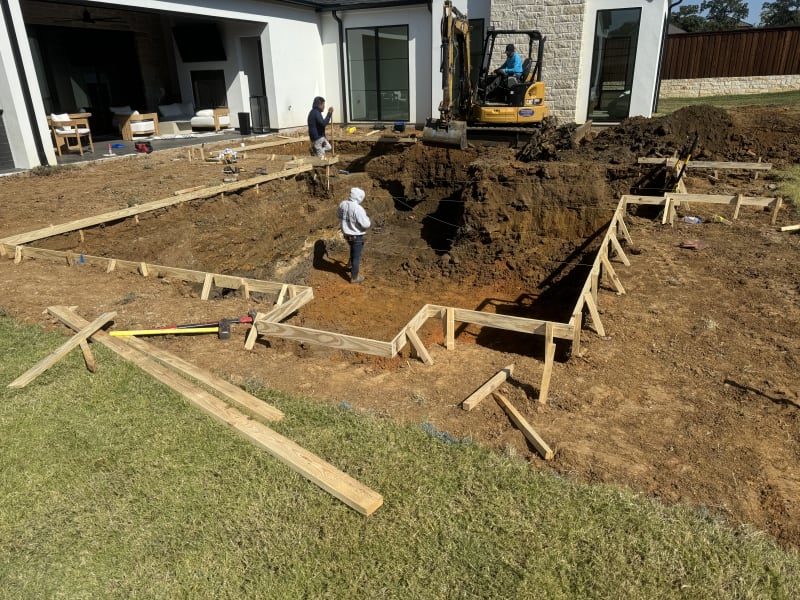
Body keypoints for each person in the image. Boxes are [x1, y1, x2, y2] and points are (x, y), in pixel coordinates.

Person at [336, 187, 371, 284]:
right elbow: (366, 224)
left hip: (346, 234)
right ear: (359, 197)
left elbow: (338, 215)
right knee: (356, 256)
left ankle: (348, 265)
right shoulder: (358, 209)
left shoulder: (343, 204)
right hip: (356, 236)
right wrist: (366, 219)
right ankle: (354, 277)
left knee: (353, 249)